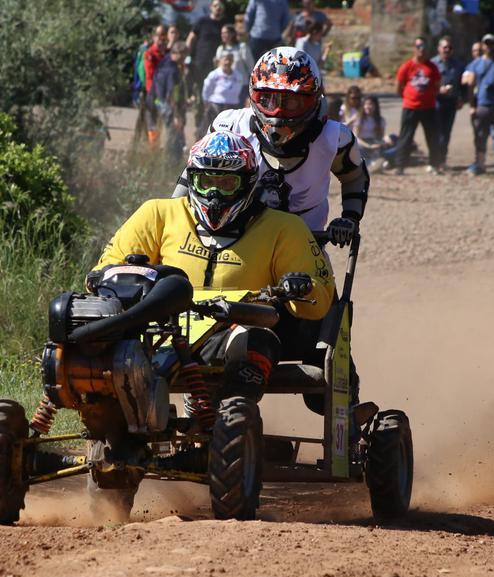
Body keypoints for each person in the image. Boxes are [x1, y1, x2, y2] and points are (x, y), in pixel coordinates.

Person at [97, 131, 334, 402]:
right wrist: (116, 279)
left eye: (226, 183)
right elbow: (107, 270)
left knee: (257, 340)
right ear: (191, 180)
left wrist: (302, 288)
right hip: (159, 333)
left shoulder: (284, 228)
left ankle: (232, 414)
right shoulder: (158, 214)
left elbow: (320, 298)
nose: (214, 193)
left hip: (235, 331)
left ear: (247, 183)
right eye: (206, 181)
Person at [174, 47, 369, 246]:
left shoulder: (335, 138)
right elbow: (196, 173)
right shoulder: (229, 126)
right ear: (253, 94)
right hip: (237, 243)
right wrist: (172, 216)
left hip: (302, 246)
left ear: (313, 98)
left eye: (292, 101)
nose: (278, 111)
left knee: (314, 279)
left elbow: (354, 177)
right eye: (267, 99)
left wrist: (350, 218)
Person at [462, 33, 494, 176]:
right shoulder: (476, 64)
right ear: (483, 45)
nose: (489, 46)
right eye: (486, 43)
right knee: (480, 136)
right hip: (482, 105)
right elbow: (470, 85)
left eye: (491, 43)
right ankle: (480, 163)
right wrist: (472, 106)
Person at [394, 36, 442, 175]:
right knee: (405, 137)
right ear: (414, 49)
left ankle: (435, 164)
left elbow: (437, 86)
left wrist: (430, 96)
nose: (422, 49)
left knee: (432, 137)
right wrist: (408, 98)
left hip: (428, 107)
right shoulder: (407, 66)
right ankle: (400, 166)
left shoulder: (432, 67)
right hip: (410, 107)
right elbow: (398, 87)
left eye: (424, 47)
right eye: (419, 46)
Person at [187, 2, 234, 138]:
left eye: (220, 6)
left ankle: (214, 128)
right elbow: (191, 39)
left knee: (216, 98)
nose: (218, 8)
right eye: (215, 6)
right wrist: (187, 57)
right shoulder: (202, 21)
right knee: (201, 96)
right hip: (200, 64)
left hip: (219, 68)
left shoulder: (225, 24)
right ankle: (198, 129)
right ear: (210, 8)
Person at [153, 42, 190, 162]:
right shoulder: (173, 70)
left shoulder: (165, 62)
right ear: (178, 53)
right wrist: (176, 115)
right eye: (183, 56)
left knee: (170, 134)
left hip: (158, 103)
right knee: (172, 136)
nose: (184, 59)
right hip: (168, 107)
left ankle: (170, 161)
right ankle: (171, 163)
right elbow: (171, 94)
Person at [430, 36, 463, 173]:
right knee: (435, 133)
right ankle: (433, 161)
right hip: (436, 101)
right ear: (439, 48)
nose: (447, 50)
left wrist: (461, 98)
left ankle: (441, 160)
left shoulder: (458, 65)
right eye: (445, 47)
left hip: (451, 102)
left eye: (449, 48)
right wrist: (439, 90)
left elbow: (462, 84)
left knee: (446, 133)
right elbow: (427, 84)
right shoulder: (432, 64)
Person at [352, 96, 398, 173]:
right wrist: (369, 146)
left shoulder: (380, 120)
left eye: (371, 104)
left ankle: (378, 162)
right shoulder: (359, 119)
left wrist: (384, 140)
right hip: (361, 144)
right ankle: (375, 163)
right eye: (366, 104)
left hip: (375, 144)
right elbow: (356, 137)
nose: (368, 106)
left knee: (398, 145)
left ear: (375, 106)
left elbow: (381, 137)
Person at [143, 25, 171, 145]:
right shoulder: (150, 54)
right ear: (154, 38)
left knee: (163, 121)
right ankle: (153, 147)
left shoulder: (168, 54)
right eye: (159, 39)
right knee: (152, 121)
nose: (161, 42)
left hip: (165, 93)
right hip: (153, 93)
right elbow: (151, 73)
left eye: (164, 40)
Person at [201, 53, 245, 131]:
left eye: (230, 60)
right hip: (216, 107)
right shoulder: (214, 75)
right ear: (220, 61)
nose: (227, 62)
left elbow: (239, 90)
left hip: (233, 107)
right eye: (225, 60)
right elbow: (206, 90)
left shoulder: (238, 76)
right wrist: (206, 103)